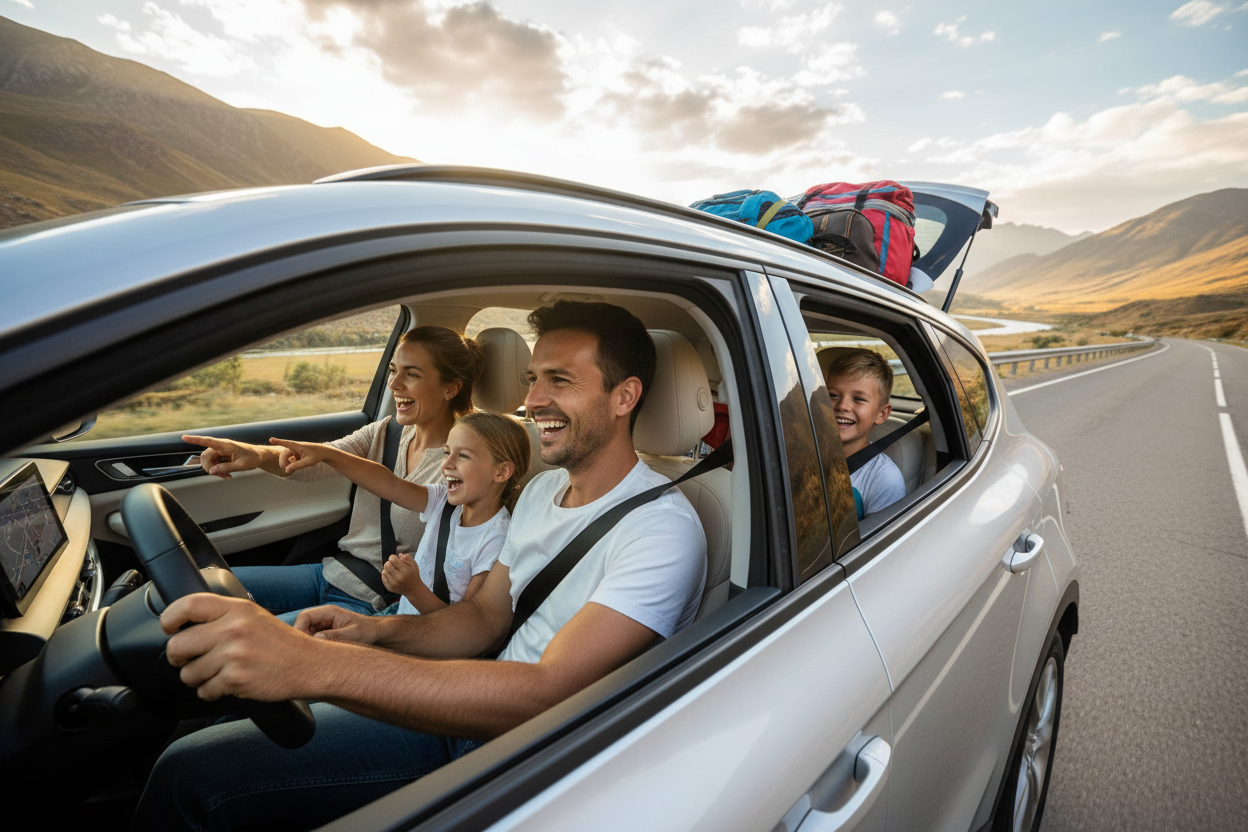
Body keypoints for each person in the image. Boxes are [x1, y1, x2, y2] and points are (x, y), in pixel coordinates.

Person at [133, 301, 707, 831]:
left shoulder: (660, 530)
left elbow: (544, 692)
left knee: (191, 777)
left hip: (514, 755)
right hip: (466, 704)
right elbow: (483, 617)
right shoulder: (542, 490)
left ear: (624, 396)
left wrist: (318, 666)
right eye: (533, 379)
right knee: (211, 735)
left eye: (561, 381)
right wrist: (372, 631)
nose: (532, 401)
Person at [182, 326, 485, 623]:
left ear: (450, 388)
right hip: (332, 573)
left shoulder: (461, 465)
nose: (394, 384)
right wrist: (257, 455)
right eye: (393, 370)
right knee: (194, 586)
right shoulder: (389, 431)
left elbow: (359, 470)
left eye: (412, 374)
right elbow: (319, 460)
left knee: (237, 637)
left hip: (378, 604)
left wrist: (327, 455)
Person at [269, 410, 530, 615]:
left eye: (462, 456)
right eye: (447, 453)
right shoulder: (443, 502)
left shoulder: (497, 540)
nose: (446, 464)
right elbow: (388, 483)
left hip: (424, 638)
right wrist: (327, 454)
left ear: (501, 472)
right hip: (401, 614)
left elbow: (467, 625)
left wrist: (413, 589)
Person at [824, 349, 906, 517]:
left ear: (881, 414)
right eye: (833, 395)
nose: (842, 406)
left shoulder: (884, 478)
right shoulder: (798, 452)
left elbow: (880, 540)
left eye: (859, 399)